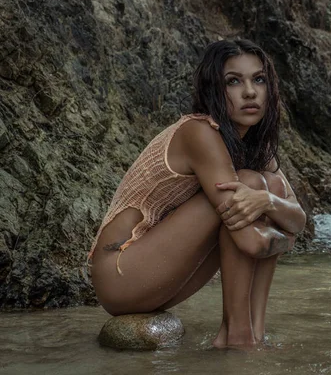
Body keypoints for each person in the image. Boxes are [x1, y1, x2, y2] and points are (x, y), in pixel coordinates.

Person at [88, 39, 307, 349]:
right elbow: (252, 240)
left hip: (164, 273)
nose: (250, 92)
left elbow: (299, 218)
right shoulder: (199, 132)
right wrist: (285, 234)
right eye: (234, 81)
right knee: (249, 183)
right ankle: (238, 337)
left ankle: (253, 333)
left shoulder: (255, 146)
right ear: (214, 90)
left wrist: (270, 203)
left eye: (258, 79)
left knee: (265, 186)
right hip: (120, 275)